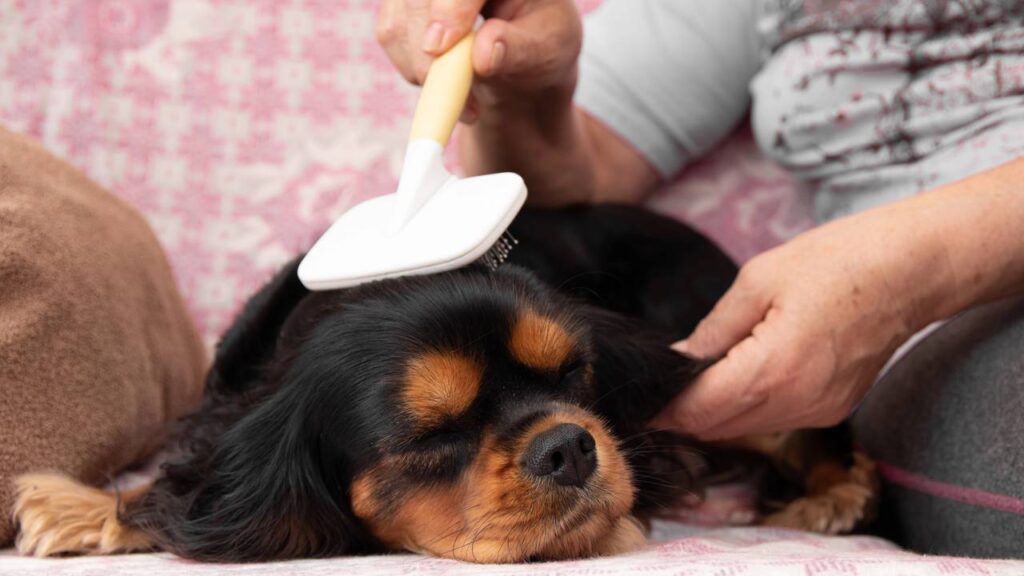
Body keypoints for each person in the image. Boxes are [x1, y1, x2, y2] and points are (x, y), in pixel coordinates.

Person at [377, 0, 1024, 557]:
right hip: (927, 360)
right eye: (434, 433)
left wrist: (909, 272)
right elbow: (575, 185)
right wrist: (518, 92)